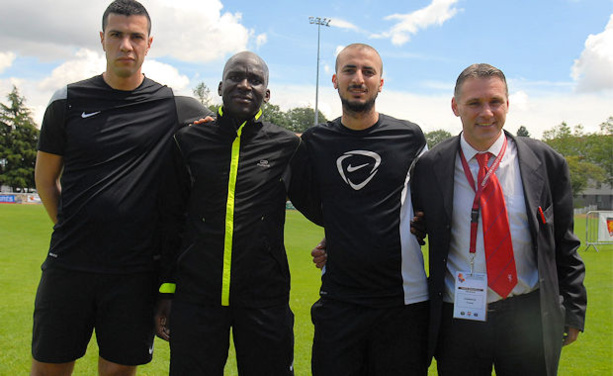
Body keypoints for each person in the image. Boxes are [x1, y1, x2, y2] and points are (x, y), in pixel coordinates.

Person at [32, 1, 212, 375]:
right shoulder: (66, 102)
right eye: (116, 35)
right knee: (48, 368)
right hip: (68, 267)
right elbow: (45, 179)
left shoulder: (174, 106)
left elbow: (229, 135)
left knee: (117, 371)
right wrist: (67, 225)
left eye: (135, 37)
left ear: (149, 43)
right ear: (102, 39)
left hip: (133, 274)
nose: (126, 45)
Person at [411, 63, 587, 376]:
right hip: (459, 317)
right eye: (474, 103)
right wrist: (338, 242)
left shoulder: (547, 162)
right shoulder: (429, 166)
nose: (487, 113)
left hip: (528, 314)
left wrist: (573, 311)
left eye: (495, 102)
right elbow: (407, 223)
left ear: (507, 103)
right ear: (455, 107)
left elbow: (565, 243)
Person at [154, 51, 299, 375]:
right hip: (196, 297)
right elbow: (170, 219)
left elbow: (326, 202)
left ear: (267, 93)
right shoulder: (188, 141)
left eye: (255, 80)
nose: (245, 85)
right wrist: (166, 289)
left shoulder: (287, 145)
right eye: (236, 77)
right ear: (220, 86)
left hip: (265, 298)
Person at [289, 43, 430, 375]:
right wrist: (337, 233)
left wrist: (423, 223)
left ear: (381, 82)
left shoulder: (409, 137)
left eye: (368, 72)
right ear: (335, 79)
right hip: (339, 301)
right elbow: (309, 199)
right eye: (349, 70)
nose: (358, 78)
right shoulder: (315, 141)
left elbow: (431, 199)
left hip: (402, 302)